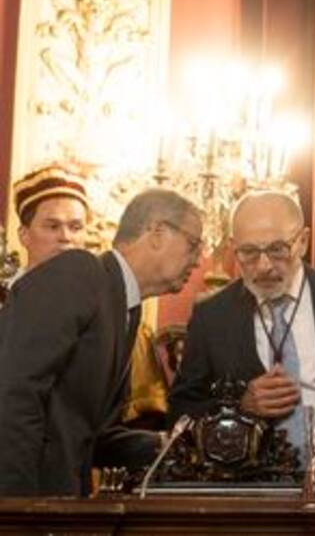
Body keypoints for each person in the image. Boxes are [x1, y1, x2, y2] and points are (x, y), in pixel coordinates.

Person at [168, 190, 315, 489]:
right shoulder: (212, 315)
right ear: (233, 248)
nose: (264, 266)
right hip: (251, 493)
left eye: (277, 249)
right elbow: (182, 408)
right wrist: (238, 407)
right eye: (249, 252)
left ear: (303, 241)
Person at [0, 188, 203, 496]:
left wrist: (171, 444)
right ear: (157, 232)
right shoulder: (78, 271)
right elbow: (13, 392)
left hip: (65, 500)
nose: (198, 260)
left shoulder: (126, 309)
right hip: (27, 500)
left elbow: (92, 436)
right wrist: (17, 508)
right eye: (193, 245)